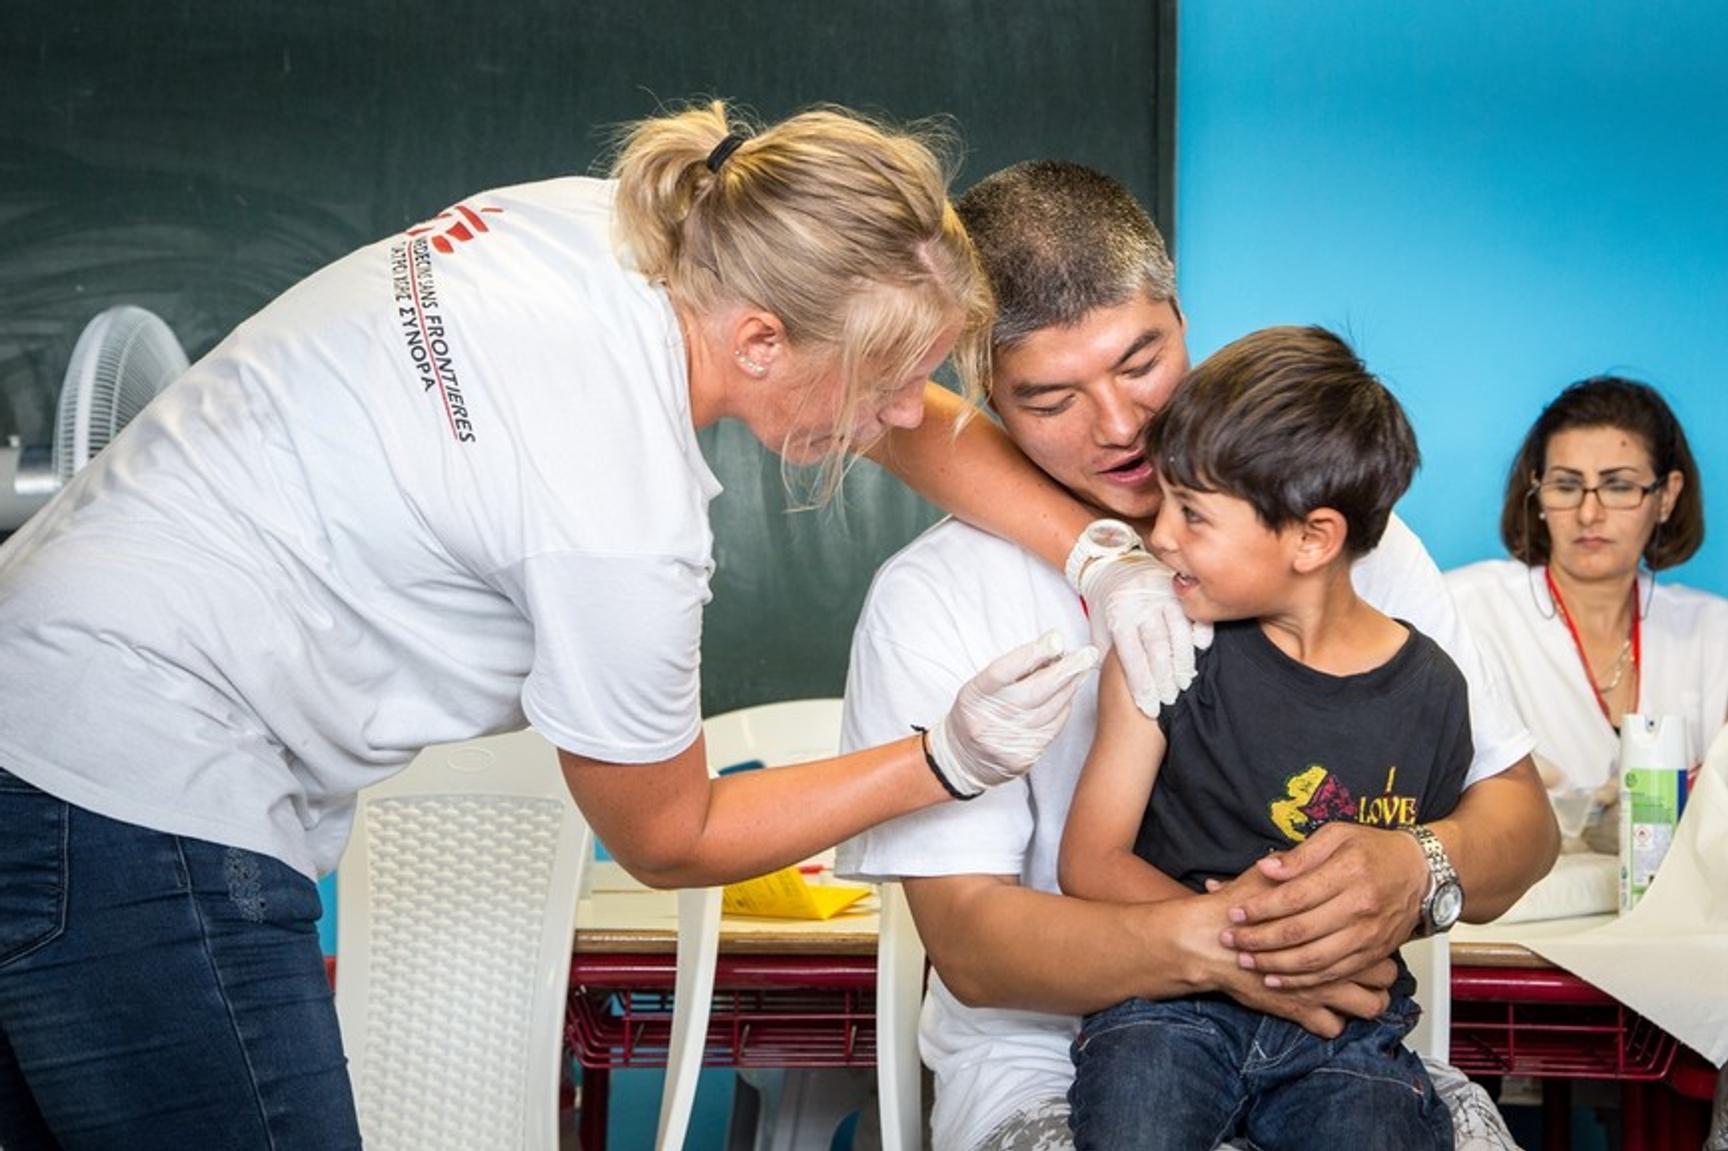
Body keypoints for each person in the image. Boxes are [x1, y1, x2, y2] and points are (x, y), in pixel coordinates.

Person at [0, 105, 1197, 1149]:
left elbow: (889, 406)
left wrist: (1094, 550)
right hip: (128, 780)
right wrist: (941, 758)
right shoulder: (619, 511)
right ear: (763, 343)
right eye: (889, 376)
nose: (906, 413)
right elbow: (668, 834)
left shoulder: (612, 228)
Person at [837, 161, 1558, 1151]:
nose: (1122, 425)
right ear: (985, 393)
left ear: (1180, 310)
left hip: (1342, 1047)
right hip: (1052, 1066)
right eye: (1050, 398)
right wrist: (1229, 945)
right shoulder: (934, 596)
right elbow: (972, 944)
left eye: (1141, 360)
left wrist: (1418, 862)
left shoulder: (1361, 554)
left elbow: (1520, 823)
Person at [1060, 326, 1462, 1150]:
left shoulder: (1434, 692)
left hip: (1341, 1030)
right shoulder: (1164, 653)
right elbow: (1088, 862)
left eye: (1193, 514)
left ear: (1313, 538)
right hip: (1165, 1007)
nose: (1160, 534)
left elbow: (1409, 894)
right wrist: (1244, 941)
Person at [1447, 376, 1727, 843]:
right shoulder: (1466, 610)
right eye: (1566, 485)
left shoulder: (1713, 632)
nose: (1589, 514)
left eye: (1618, 487)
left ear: (1666, 497)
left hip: (1685, 911)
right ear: (1537, 495)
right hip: (1525, 909)